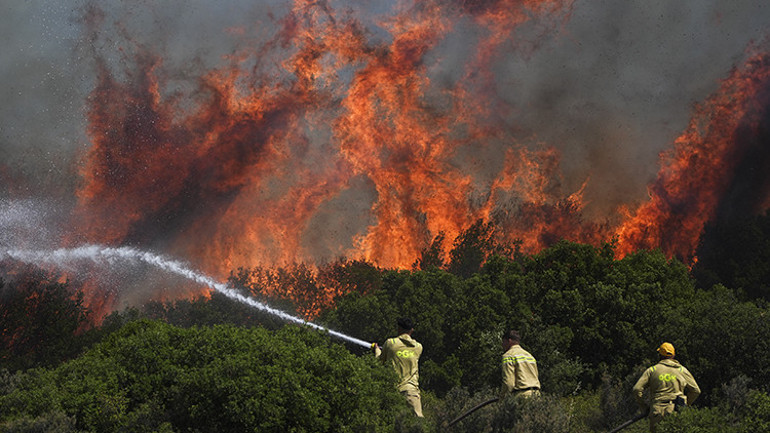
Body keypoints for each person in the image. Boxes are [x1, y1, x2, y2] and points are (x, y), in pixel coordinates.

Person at [632, 342, 701, 432]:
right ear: (673, 355)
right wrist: (685, 404)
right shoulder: (682, 370)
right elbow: (696, 391)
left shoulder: (652, 370)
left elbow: (636, 389)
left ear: (660, 355)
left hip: (657, 411)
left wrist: (644, 407)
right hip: (676, 411)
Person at [373, 317, 424, 417]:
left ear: (399, 329)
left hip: (393, 391)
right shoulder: (418, 347)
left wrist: (377, 350)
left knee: (393, 422)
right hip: (411, 392)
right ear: (412, 330)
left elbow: (379, 362)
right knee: (418, 422)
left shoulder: (390, 343)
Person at [500, 330, 540, 399]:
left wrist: (502, 397)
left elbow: (509, 383)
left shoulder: (508, 356)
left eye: (503, 342)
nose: (502, 345)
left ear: (509, 341)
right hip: (536, 394)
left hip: (521, 395)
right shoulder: (529, 356)